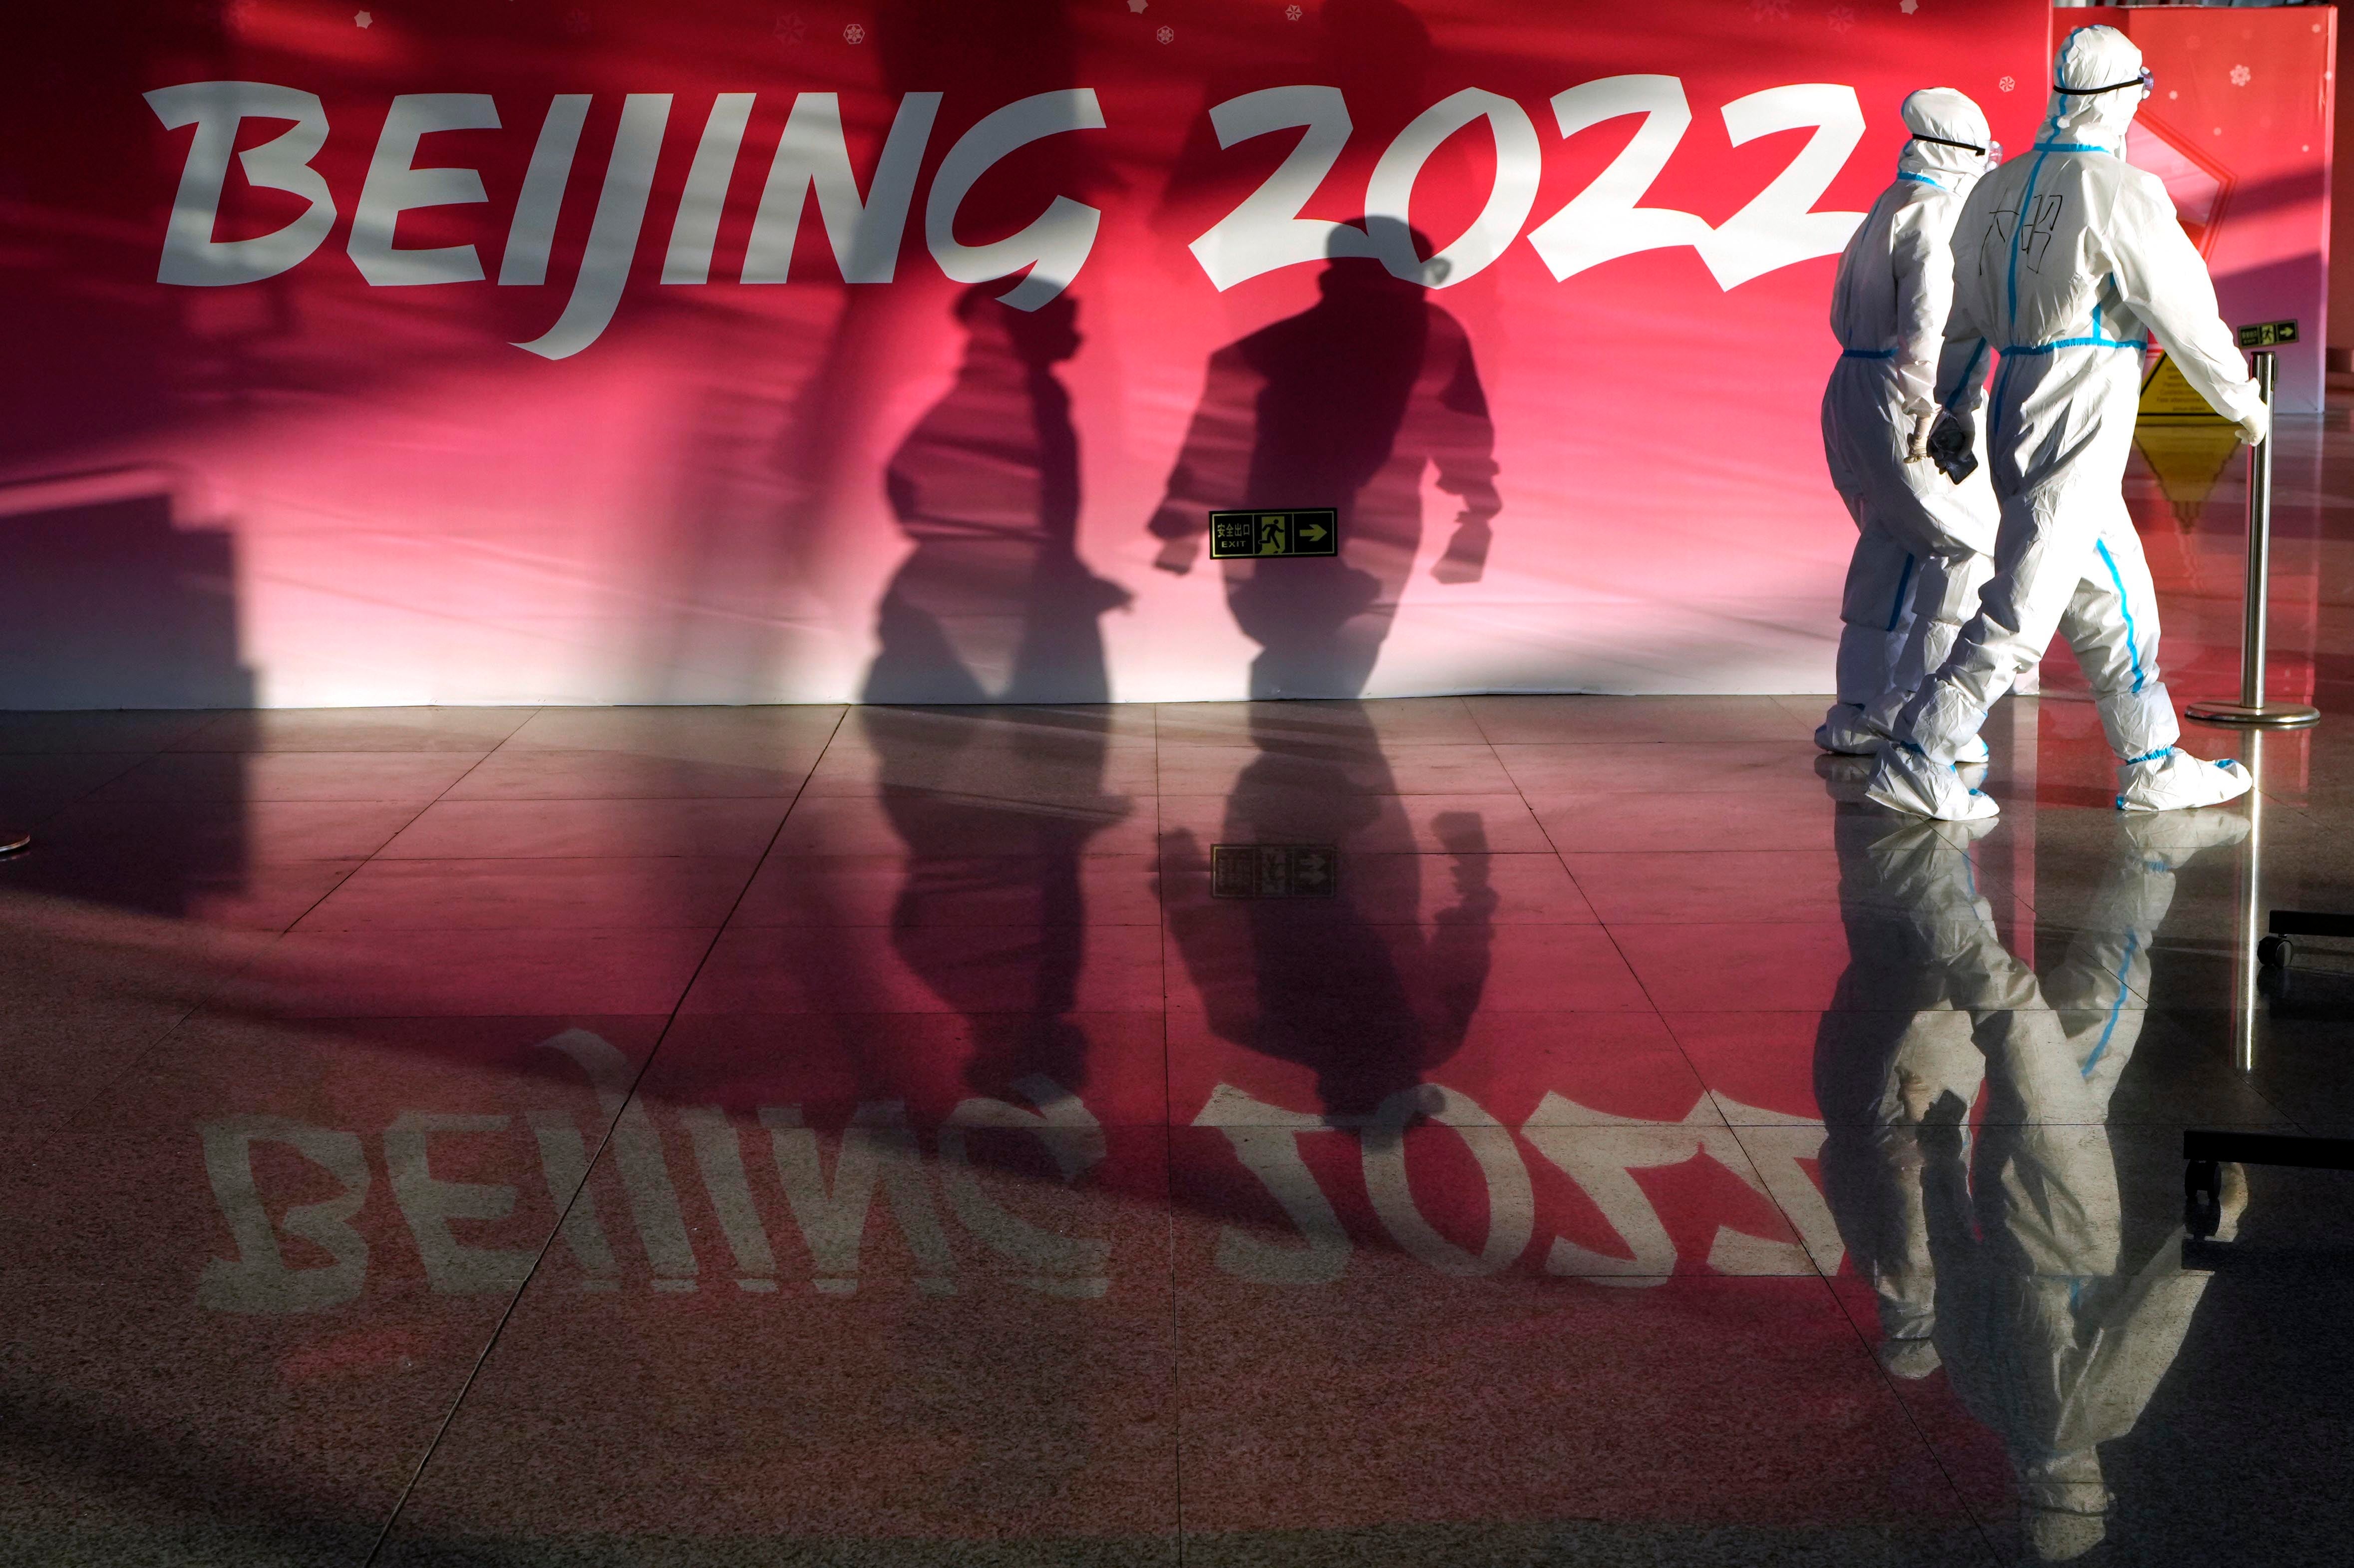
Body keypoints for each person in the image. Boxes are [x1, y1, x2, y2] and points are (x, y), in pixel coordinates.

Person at [1868, 25, 2266, 821]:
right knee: (2025, 604)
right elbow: (2184, 312)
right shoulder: (2122, 190)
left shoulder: (1996, 186)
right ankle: (1921, 753)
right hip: (2080, 402)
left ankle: (2152, 758)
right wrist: (2244, 403)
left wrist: (1953, 403)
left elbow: (1962, 318)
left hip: (2017, 397)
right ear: (2124, 97)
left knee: (2115, 598)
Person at [1816, 88, 2002, 762]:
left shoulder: (1885, 206)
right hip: (1907, 392)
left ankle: (1859, 708)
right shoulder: (1937, 214)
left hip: (1855, 390)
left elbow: (1842, 313)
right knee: (1965, 550)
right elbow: (1926, 323)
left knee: (1891, 542)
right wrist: (1928, 410)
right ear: (1963, 152)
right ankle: (1921, 712)